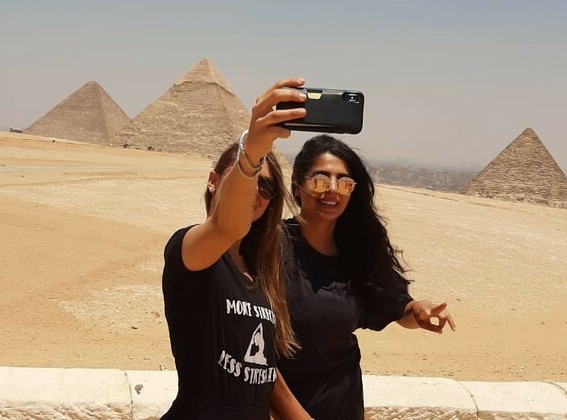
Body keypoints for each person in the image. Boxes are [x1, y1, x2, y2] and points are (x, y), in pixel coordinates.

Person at [160, 78, 313, 420]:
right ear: (214, 181)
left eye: (267, 187)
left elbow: (263, 373)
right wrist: (252, 152)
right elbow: (226, 226)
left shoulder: (259, 272)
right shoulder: (192, 252)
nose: (257, 191)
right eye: (247, 178)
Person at [276, 134, 457, 420]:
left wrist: (417, 310)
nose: (332, 190)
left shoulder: (357, 253)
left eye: (344, 182)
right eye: (320, 180)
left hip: (342, 407)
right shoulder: (270, 249)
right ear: (298, 186)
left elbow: (396, 309)